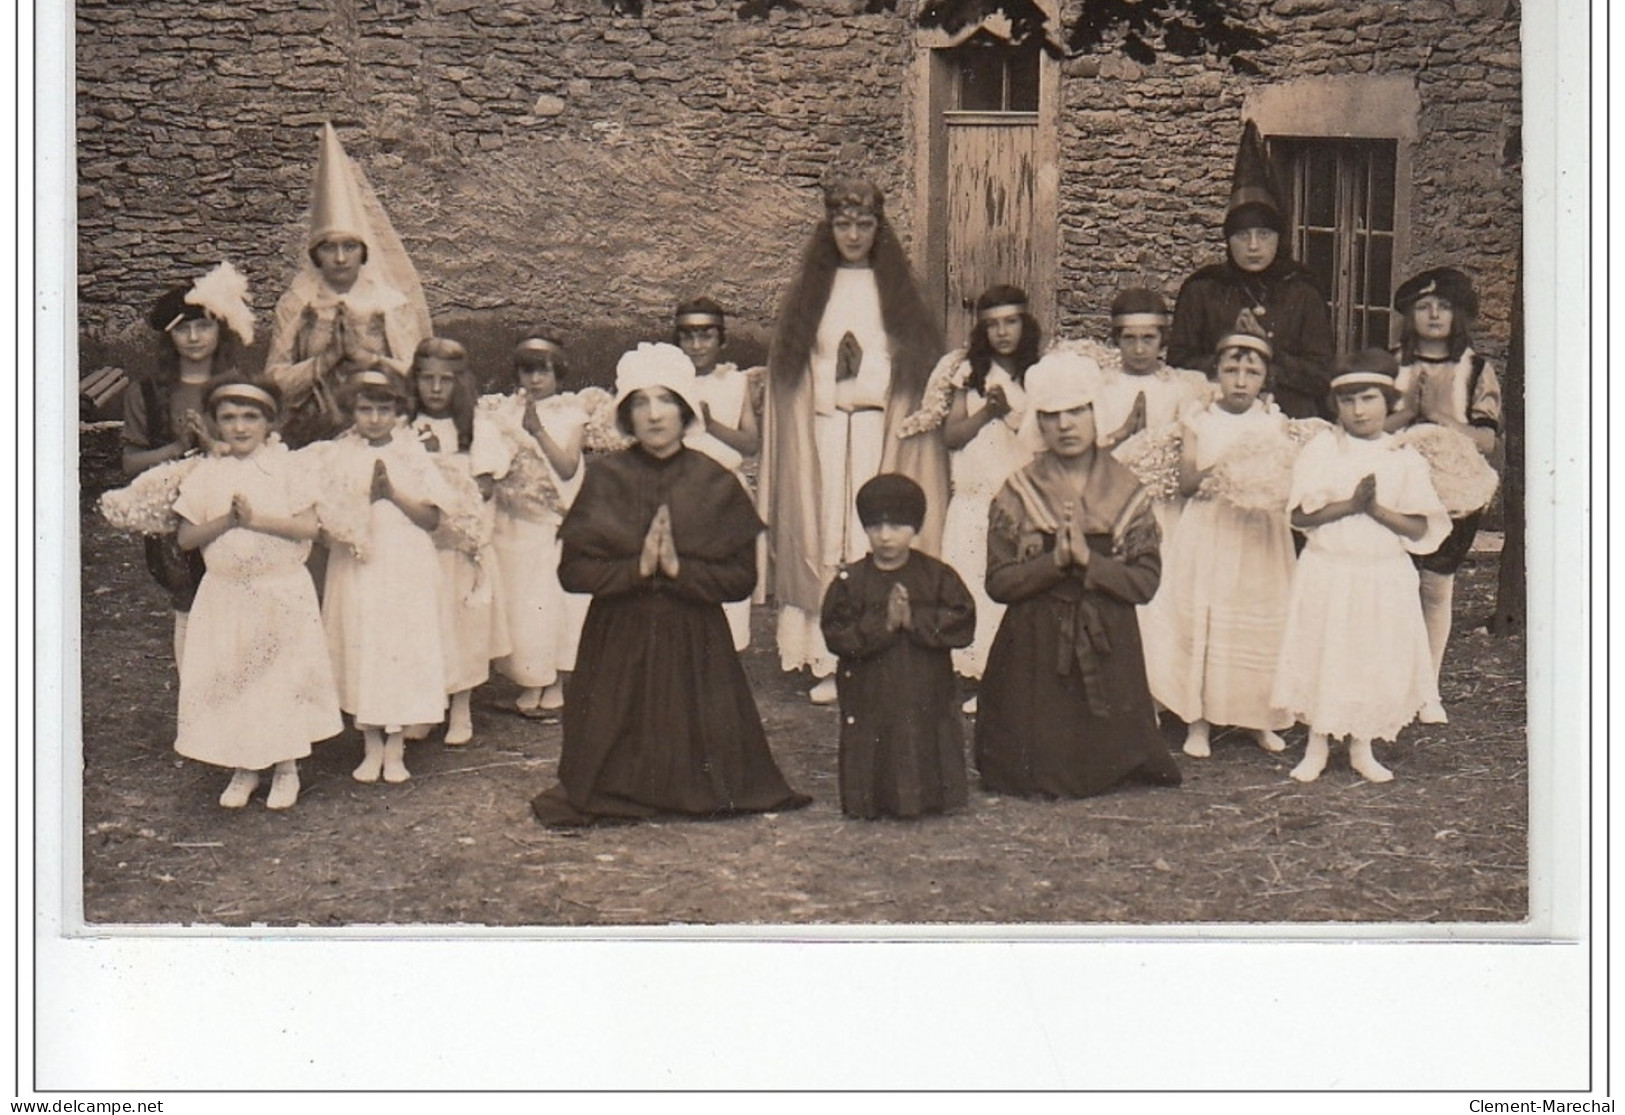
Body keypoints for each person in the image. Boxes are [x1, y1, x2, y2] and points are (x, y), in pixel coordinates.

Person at [530, 344, 811, 827]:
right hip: (618, 636)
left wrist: (680, 570)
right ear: (626, 415)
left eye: (665, 401)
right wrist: (637, 568)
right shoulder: (606, 478)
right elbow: (572, 573)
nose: (654, 414)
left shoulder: (715, 481)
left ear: (685, 411)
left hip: (694, 639)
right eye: (641, 402)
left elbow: (740, 580)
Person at [760, 175, 950, 705]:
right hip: (822, 430)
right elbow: (795, 367)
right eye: (842, 225)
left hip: (873, 430)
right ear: (829, 229)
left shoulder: (892, 294)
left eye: (863, 225)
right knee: (824, 530)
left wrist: (866, 381)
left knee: (870, 531)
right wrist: (829, 383)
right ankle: (828, 658)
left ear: (877, 230)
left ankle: (881, 650)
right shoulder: (811, 296)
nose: (852, 235)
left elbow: (909, 365)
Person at [973, 351, 1183, 799]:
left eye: (1076, 411)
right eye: (1051, 415)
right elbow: (999, 583)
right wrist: (1053, 564)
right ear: (1038, 423)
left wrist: (1090, 561)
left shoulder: (1126, 490)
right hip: (1032, 650)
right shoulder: (1017, 492)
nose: (1065, 425)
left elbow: (1144, 584)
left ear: (1095, 414)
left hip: (1108, 645)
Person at [1270, 350, 1449, 783]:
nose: (1359, 410)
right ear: (1336, 406)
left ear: (1388, 402)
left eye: (1368, 398)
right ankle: (1316, 743)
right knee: (1325, 651)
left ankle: (1361, 745)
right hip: (1330, 569)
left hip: (1382, 573)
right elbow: (1299, 516)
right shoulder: (1322, 450)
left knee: (1370, 655)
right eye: (1348, 401)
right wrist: (1350, 504)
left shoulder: (1403, 457)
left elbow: (1421, 526)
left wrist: (1377, 510)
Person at [172, 377, 342, 810]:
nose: (240, 427)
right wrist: (227, 522)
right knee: (236, 677)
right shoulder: (209, 472)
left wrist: (256, 520)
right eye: (228, 418)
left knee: (280, 677)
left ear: (271, 422)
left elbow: (308, 528)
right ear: (215, 423)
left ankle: (286, 767)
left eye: (251, 417)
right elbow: (188, 537)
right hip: (227, 594)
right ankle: (244, 766)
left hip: (278, 590)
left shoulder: (288, 468)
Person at [1140, 318, 1296, 758]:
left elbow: (1284, 478)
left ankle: (1258, 718)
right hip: (1212, 530)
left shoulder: (1274, 422)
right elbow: (1188, 482)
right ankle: (1198, 721)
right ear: (1217, 374)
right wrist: (1229, 467)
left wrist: (1262, 477)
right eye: (1231, 371)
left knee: (1257, 620)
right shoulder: (1199, 420)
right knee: (1208, 617)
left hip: (1259, 533)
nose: (1240, 381)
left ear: (1265, 378)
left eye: (1252, 373)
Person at [908, 284, 1044, 712]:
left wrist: (1010, 412)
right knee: (971, 582)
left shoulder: (1038, 374)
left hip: (1017, 493)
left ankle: (1008, 675)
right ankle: (976, 672)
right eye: (992, 325)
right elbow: (951, 436)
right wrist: (987, 410)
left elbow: (1042, 440)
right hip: (973, 495)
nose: (1002, 333)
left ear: (1026, 324)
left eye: (1011, 323)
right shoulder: (971, 375)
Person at [318, 369, 454, 784]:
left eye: (384, 409)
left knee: (399, 649)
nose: (374, 418)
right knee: (363, 645)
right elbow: (324, 520)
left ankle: (396, 747)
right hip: (358, 564)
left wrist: (390, 494)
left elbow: (432, 518)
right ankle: (371, 743)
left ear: (398, 410)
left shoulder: (412, 454)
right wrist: (344, 528)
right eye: (365, 409)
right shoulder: (338, 455)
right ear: (352, 410)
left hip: (404, 563)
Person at [122, 263, 256, 668]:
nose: (195, 338)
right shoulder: (146, 392)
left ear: (221, 331)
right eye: (183, 329)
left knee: (238, 606)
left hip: (233, 512)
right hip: (178, 518)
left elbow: (262, 453)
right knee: (188, 606)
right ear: (169, 337)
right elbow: (131, 463)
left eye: (204, 326)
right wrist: (180, 446)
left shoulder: (240, 386)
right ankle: (193, 708)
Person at [266, 123, 431, 448]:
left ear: (364, 252)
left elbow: (419, 378)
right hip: (313, 431)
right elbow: (274, 379)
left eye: (350, 247)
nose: (340, 258)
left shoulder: (389, 303)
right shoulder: (298, 302)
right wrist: (324, 362)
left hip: (382, 426)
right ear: (316, 254)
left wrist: (368, 359)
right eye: (329, 248)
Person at [820, 473, 975, 819]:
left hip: (924, 683)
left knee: (921, 730)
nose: (886, 536)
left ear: (916, 528)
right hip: (868, 685)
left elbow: (963, 622)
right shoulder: (851, 581)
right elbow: (835, 632)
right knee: (875, 736)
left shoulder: (937, 576)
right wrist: (883, 625)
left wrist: (914, 622)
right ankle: (869, 801)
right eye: (875, 526)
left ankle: (932, 799)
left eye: (897, 526)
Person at [1385, 267, 1502, 723]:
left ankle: (1427, 689)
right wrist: (1409, 413)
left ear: (1458, 315)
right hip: (1398, 489)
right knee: (1394, 584)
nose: (1433, 314)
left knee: (1436, 586)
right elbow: (1369, 424)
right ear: (1409, 315)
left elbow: (1487, 440)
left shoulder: (1475, 368)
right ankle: (1393, 681)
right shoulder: (1390, 362)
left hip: (1453, 491)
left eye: (1444, 306)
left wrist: (1437, 414)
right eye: (1423, 306)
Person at [1167, 122, 1334, 419]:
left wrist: (1267, 349)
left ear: (1279, 240)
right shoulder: (1202, 289)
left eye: (1264, 235)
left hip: (1290, 414)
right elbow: (1177, 365)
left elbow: (1322, 376)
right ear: (1228, 241)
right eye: (1243, 236)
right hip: (1215, 414)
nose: (1254, 246)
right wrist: (1231, 353)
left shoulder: (1303, 291)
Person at [408, 337, 512, 745]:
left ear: (460, 383)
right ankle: (429, 705)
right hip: (421, 544)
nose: (435, 389)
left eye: (445, 380)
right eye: (426, 379)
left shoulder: (476, 427)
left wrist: (444, 482)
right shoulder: (405, 427)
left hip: (460, 545)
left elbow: (482, 489)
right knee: (426, 626)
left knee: (463, 626)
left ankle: (462, 705)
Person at [483, 331, 591, 716]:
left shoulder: (571, 413)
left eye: (543, 371)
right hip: (512, 522)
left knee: (548, 603)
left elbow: (566, 467)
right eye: (527, 371)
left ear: (558, 374)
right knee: (520, 606)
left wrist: (537, 431)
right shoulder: (503, 412)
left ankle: (553, 683)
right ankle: (530, 681)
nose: (535, 380)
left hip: (549, 524)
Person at [675, 296, 761, 651]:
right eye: (687, 337)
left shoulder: (735, 382)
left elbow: (750, 443)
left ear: (721, 340)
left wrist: (710, 425)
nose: (697, 346)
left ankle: (724, 654)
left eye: (706, 336)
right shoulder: (670, 382)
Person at [1094, 287, 1212, 452]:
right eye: (1129, 338)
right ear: (1116, 339)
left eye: (1148, 338)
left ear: (1162, 338)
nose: (1139, 349)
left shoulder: (1180, 389)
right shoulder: (1100, 387)